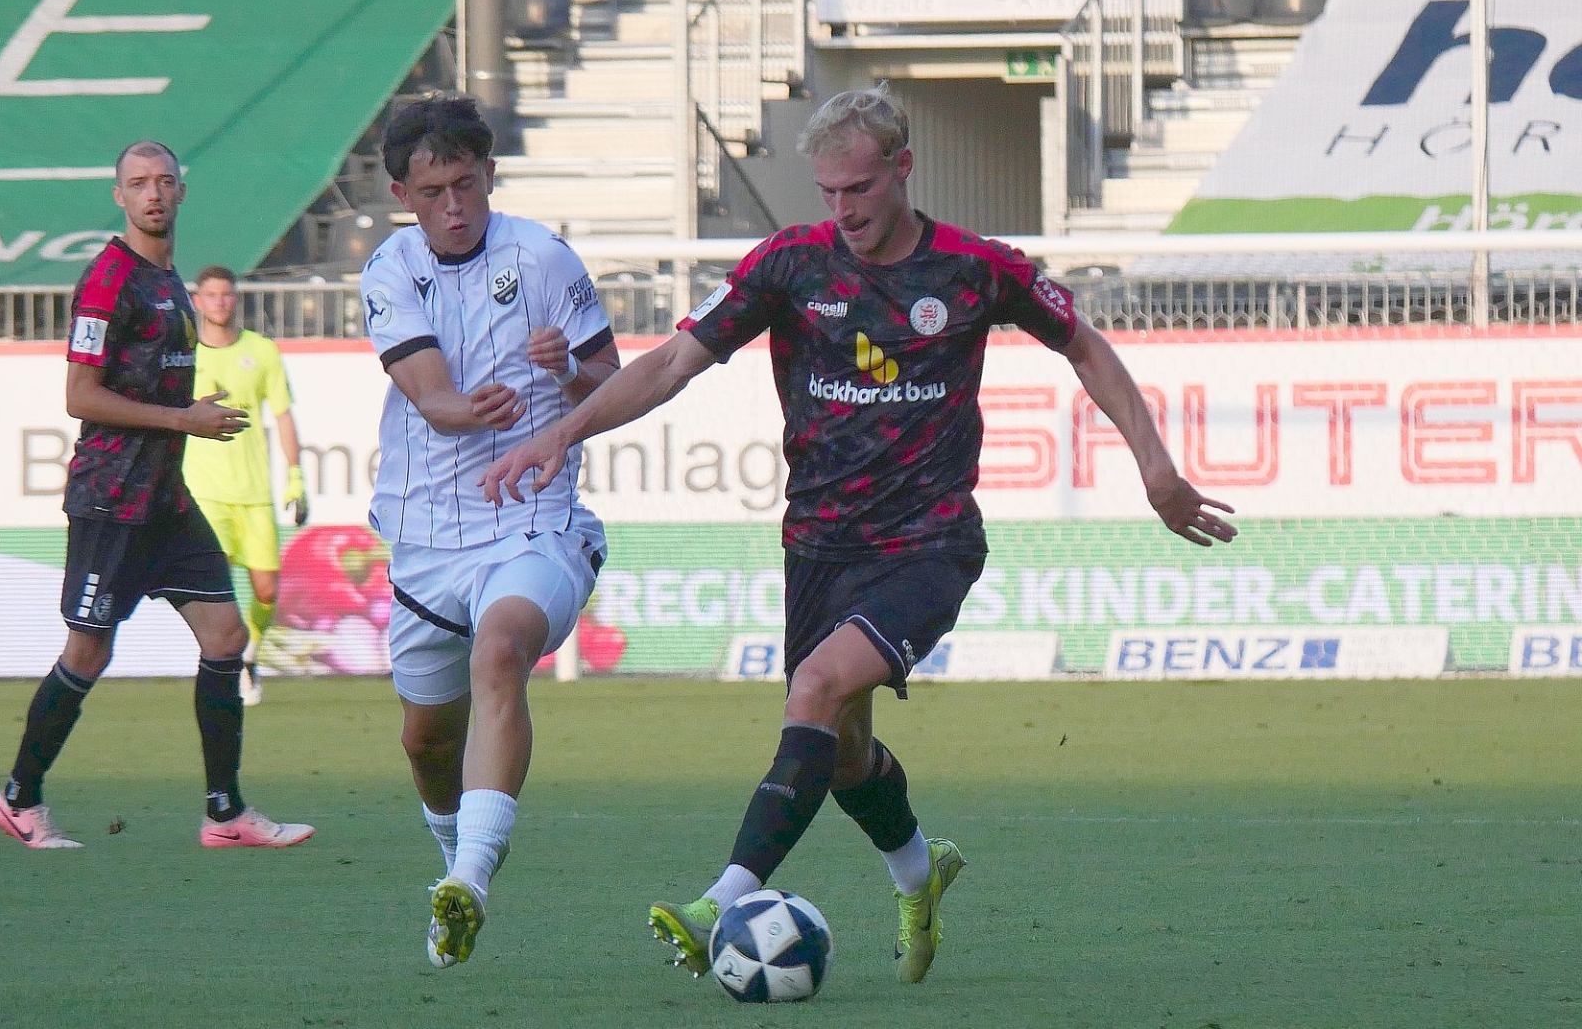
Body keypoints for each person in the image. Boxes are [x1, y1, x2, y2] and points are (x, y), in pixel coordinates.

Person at [480, 86, 1238, 985]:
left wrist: (1155, 466)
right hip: (818, 547)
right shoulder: (789, 265)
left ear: (902, 168)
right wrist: (564, 430)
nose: (843, 209)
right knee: (839, 753)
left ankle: (720, 899)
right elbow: (676, 361)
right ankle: (920, 872)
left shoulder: (974, 268)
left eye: (860, 188)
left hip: (929, 542)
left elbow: (1085, 345)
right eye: (829, 191)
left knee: (814, 687)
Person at [0, 140, 314, 852]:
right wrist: (180, 419)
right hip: (111, 499)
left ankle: (225, 813)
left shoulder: (168, 281)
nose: (154, 193)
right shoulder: (108, 280)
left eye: (164, 181)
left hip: (165, 499)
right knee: (88, 652)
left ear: (182, 191)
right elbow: (80, 396)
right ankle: (18, 799)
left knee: (227, 636)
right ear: (120, 196)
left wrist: (188, 411)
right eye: (138, 183)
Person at [360, 94, 621, 967]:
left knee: (501, 648)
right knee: (425, 740)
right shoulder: (390, 270)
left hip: (534, 522)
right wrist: (470, 410)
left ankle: (470, 878)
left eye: (466, 184)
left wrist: (571, 368)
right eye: (433, 192)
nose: (454, 206)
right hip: (427, 537)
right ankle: (453, 859)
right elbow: (432, 397)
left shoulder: (542, 257)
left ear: (490, 175)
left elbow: (612, 384)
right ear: (403, 194)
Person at [185, 264, 309, 707]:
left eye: (226, 294)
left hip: (254, 493)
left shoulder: (262, 351)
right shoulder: (185, 354)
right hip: (205, 492)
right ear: (197, 301)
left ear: (235, 299)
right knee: (215, 589)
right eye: (211, 295)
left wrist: (295, 477)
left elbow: (283, 415)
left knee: (266, 591)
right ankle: (222, 663)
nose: (219, 302)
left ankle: (249, 653)